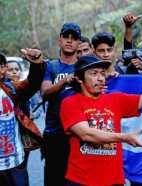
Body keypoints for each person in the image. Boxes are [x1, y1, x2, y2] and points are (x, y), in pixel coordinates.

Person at [60, 55, 142, 186]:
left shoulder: (115, 99)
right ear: (79, 78)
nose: (100, 78)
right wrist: (124, 137)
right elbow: (86, 134)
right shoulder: (70, 103)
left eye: (103, 73)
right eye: (94, 74)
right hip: (81, 180)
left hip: (113, 180)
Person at [40, 22, 81, 186]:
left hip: (78, 133)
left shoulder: (83, 67)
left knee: (76, 180)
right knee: (53, 179)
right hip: (54, 133)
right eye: (66, 37)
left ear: (79, 43)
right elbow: (45, 92)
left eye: (74, 38)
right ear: (60, 40)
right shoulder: (51, 66)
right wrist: (65, 80)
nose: (69, 41)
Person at [0, 49, 45, 186]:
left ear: (2, 69)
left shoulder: (10, 89)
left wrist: (37, 64)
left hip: (16, 162)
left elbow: (32, 84)